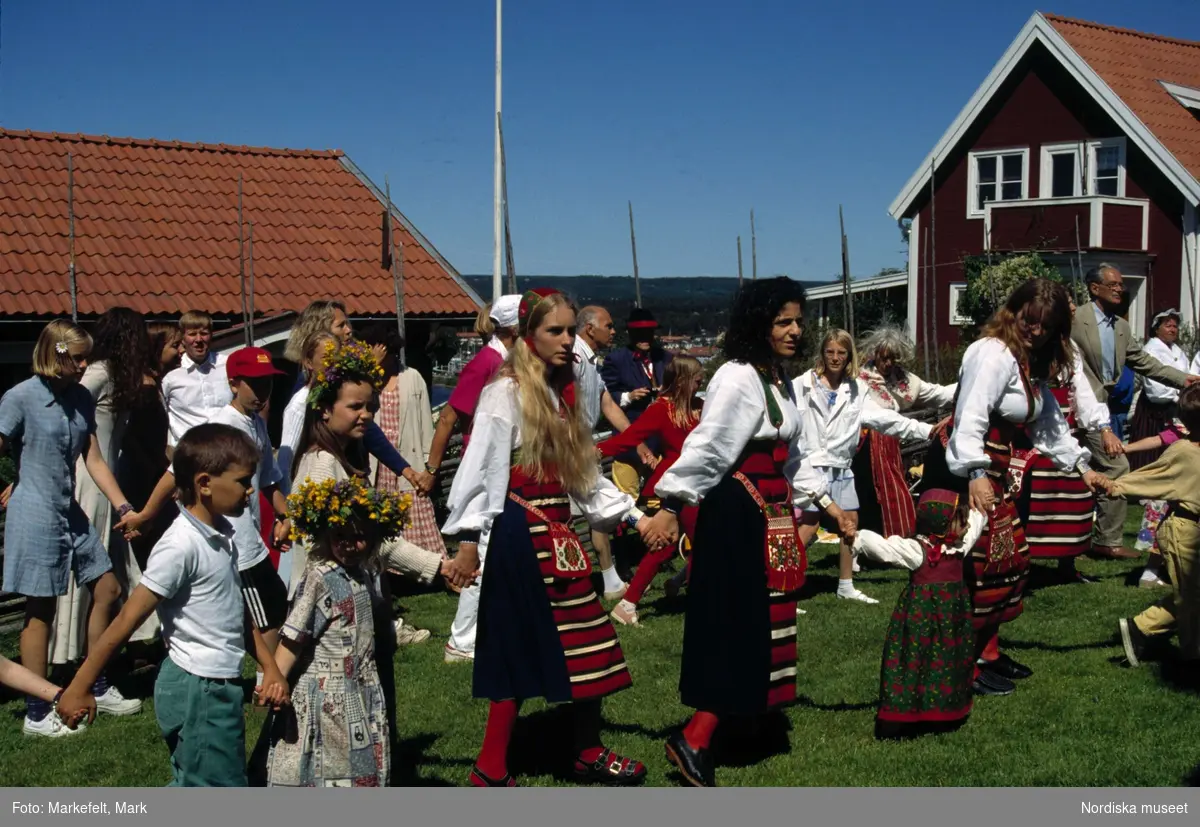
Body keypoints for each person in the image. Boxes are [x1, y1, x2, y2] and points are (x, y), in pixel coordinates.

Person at [645, 277, 854, 787]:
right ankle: (694, 736)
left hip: (770, 512)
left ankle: (745, 722)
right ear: (757, 323)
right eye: (782, 320)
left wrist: (828, 506)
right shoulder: (738, 377)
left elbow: (796, 459)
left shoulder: (778, 378)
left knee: (767, 619)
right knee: (736, 625)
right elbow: (709, 448)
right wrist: (672, 503)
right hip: (736, 512)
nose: (793, 329)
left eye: (797, 320)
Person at [441, 288, 653, 788]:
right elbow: (478, 472)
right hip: (520, 534)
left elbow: (583, 477)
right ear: (527, 336)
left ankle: (586, 749)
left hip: (559, 533)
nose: (566, 341)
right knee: (516, 646)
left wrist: (633, 517)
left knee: (590, 637)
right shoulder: (504, 393)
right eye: (554, 331)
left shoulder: (558, 396)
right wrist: (469, 541)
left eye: (569, 331)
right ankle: (490, 768)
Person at [56, 424, 290, 786]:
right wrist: (80, 685)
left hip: (217, 686)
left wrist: (269, 666)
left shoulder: (223, 536)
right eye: (243, 481)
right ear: (205, 483)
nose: (249, 491)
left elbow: (235, 611)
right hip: (199, 690)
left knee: (199, 784)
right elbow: (127, 620)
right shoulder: (180, 546)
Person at [919, 279, 1107, 698]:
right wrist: (975, 473)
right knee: (972, 570)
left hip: (994, 472)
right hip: (962, 473)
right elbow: (970, 417)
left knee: (1006, 564)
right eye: (1028, 319)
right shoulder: (992, 354)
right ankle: (962, 663)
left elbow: (1047, 422)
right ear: (1014, 311)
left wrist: (1081, 467)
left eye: (1045, 325)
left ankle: (987, 652)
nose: (1034, 330)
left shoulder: (1029, 362)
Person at [0, 320, 145, 737]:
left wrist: (123, 505)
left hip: (71, 512)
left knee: (108, 589)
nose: (85, 365)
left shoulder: (81, 398)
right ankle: (37, 710)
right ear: (56, 354)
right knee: (40, 607)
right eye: (78, 357)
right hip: (35, 515)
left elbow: (94, 460)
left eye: (87, 357)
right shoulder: (20, 397)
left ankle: (93, 682)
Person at [130, 347, 293, 659]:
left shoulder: (256, 423)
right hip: (235, 544)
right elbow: (176, 469)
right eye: (254, 384)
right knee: (264, 622)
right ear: (234, 383)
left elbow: (269, 478)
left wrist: (286, 515)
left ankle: (269, 680)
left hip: (254, 541)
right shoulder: (221, 427)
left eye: (268, 384)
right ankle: (268, 683)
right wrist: (147, 513)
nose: (263, 392)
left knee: (273, 610)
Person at [265, 477, 410, 787]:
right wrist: (274, 681)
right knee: (327, 770)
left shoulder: (364, 573)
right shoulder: (320, 577)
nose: (349, 545)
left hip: (360, 687)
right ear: (325, 534)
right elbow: (293, 637)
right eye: (339, 535)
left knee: (359, 768)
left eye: (359, 537)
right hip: (327, 697)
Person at [793, 329, 932, 605]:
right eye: (830, 351)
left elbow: (887, 420)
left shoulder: (857, 390)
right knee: (808, 527)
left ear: (849, 356)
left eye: (841, 353)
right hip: (813, 466)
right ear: (822, 353)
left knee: (850, 525)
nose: (835, 357)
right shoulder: (803, 385)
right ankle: (784, 586)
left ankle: (845, 584)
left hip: (842, 468)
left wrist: (927, 431)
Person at [52, 308, 159, 667]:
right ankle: (78, 655)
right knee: (96, 570)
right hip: (90, 482)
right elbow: (68, 419)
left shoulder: (117, 375)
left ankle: (130, 645)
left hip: (109, 483)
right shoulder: (96, 374)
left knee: (121, 568)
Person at [1071, 265, 1198, 560]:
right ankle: (1106, 540)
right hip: (1074, 402)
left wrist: (1183, 379)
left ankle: (1100, 539)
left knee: (1108, 465)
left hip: (1101, 407)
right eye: (1113, 284)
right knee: (1116, 467)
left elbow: (1144, 362)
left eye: (1121, 285)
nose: (1120, 289)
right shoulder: (1077, 319)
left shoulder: (1121, 327)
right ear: (1094, 288)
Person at [852, 489, 985, 740]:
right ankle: (905, 712)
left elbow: (977, 523)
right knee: (916, 661)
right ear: (941, 524)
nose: (966, 526)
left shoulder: (958, 546)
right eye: (961, 521)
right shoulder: (917, 550)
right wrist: (857, 537)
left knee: (948, 661)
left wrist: (983, 505)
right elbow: (886, 548)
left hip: (952, 623)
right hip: (921, 622)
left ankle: (943, 710)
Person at [438, 295, 522, 663]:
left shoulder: (509, 362)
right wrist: (431, 466)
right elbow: (451, 417)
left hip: (503, 466)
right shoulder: (487, 362)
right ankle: (462, 638)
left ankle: (490, 631)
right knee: (483, 553)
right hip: (486, 468)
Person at [598, 355, 704, 626]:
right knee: (698, 544)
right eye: (695, 376)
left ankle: (638, 599)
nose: (701, 380)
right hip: (672, 488)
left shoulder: (703, 407)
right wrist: (596, 451)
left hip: (699, 486)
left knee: (666, 547)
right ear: (680, 381)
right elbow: (630, 439)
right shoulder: (661, 410)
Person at [1012, 298, 1112, 583]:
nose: (1072, 311)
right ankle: (1021, 564)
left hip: (1066, 422)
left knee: (1074, 494)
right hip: (1034, 422)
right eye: (1066, 307)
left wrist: (1101, 426)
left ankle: (1067, 563)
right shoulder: (1029, 343)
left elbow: (1081, 387)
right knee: (1032, 497)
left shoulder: (1071, 348)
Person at [358, 321, 444, 647]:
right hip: (377, 466)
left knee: (412, 523)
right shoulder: (365, 382)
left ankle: (421, 576)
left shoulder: (412, 379)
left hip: (406, 461)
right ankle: (389, 581)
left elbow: (425, 423)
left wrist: (425, 466)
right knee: (380, 528)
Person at [1110, 384, 1200, 671]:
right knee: (1192, 599)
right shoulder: (1184, 452)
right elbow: (1150, 477)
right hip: (1184, 532)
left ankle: (1140, 628)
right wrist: (1114, 485)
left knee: (1193, 595)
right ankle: (1191, 656)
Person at [575, 304, 656, 601]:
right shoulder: (572, 358)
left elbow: (607, 404)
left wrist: (637, 442)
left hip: (581, 443)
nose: (613, 331)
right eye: (608, 326)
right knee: (597, 496)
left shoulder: (592, 362)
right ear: (589, 328)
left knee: (596, 511)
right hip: (566, 445)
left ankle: (609, 582)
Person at [855, 326, 956, 538]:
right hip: (865, 444)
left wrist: (969, 383)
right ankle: (872, 537)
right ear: (875, 355)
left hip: (891, 442)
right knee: (872, 492)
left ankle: (895, 537)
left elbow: (938, 394)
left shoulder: (904, 380)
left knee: (893, 490)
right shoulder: (860, 379)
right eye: (884, 358)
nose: (889, 363)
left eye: (893, 358)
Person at [601, 307, 671, 501]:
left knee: (659, 495)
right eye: (639, 334)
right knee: (626, 499)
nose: (645, 338)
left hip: (660, 441)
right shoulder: (615, 360)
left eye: (648, 333)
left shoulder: (666, 358)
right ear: (630, 334)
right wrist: (628, 397)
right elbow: (606, 397)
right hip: (629, 442)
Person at [161, 310, 231, 454]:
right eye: (192, 334)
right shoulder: (171, 374)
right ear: (183, 339)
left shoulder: (228, 365)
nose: (198, 339)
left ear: (211, 336)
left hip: (226, 450)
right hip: (187, 454)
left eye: (204, 333)